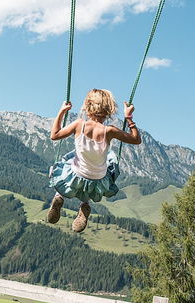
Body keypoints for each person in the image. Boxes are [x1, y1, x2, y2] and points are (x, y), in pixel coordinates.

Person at [47, 89, 141, 232]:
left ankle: (59, 196)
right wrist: (128, 117)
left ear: (87, 106)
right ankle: (85, 205)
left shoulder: (79, 124)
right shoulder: (110, 131)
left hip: (76, 174)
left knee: (67, 162)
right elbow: (136, 140)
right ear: (109, 109)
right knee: (108, 165)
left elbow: (54, 135)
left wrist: (62, 111)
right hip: (98, 180)